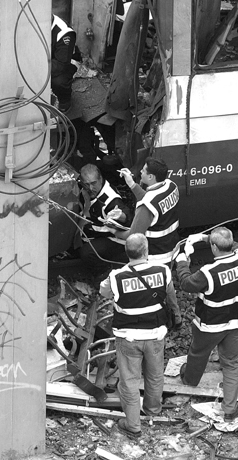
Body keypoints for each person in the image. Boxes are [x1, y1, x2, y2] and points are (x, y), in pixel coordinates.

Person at [99, 233, 174, 437]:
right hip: (156, 335)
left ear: (127, 252)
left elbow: (104, 292)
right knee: (155, 374)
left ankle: (132, 425)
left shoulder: (116, 277)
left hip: (128, 338)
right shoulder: (163, 271)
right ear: (146, 250)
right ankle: (152, 411)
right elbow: (170, 296)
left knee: (130, 381)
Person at [175, 227, 238, 422]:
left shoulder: (209, 272)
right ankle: (230, 409)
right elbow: (234, 244)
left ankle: (190, 380)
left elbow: (186, 283)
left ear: (215, 248)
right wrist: (205, 237)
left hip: (211, 325)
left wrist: (182, 260)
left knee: (198, 353)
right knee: (232, 363)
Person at [111, 158, 182, 326]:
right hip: (172, 245)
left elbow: (133, 236)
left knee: (156, 290)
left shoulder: (146, 206)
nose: (140, 172)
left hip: (157, 254)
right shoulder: (171, 186)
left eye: (143, 171)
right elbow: (153, 201)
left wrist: (114, 230)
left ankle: (164, 320)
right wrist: (132, 185)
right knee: (168, 284)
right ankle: (177, 316)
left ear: (151, 177)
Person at [77, 163, 131, 277]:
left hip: (115, 239)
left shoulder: (110, 199)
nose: (91, 188)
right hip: (95, 233)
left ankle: (103, 275)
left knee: (87, 253)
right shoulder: (84, 190)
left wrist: (121, 216)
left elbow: (127, 217)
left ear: (100, 179)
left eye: (93, 183)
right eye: (86, 184)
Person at [51, 14, 80, 113]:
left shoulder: (64, 32)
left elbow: (60, 65)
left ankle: (65, 101)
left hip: (65, 63)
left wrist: (36, 69)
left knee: (58, 81)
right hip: (46, 59)